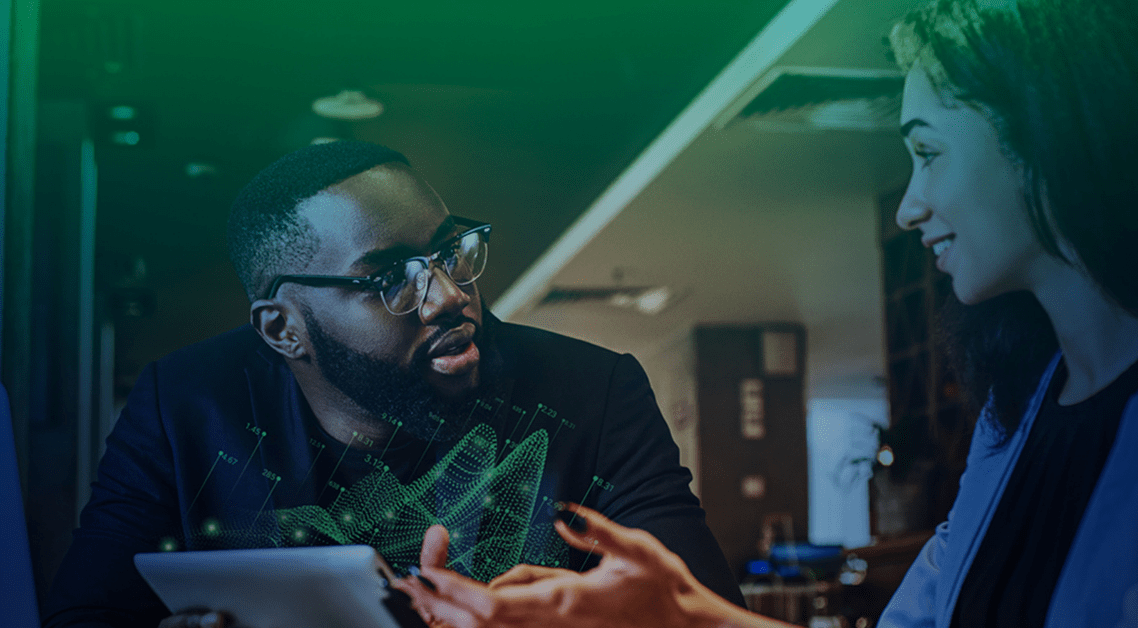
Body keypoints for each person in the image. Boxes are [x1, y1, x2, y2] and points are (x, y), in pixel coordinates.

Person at [396, 0, 1138, 626]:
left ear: (1051, 130)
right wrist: (679, 618)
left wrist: (687, 621)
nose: (910, 208)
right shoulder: (1016, 412)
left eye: (928, 153)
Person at [41, 140, 742, 628]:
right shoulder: (185, 406)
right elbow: (82, 616)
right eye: (387, 277)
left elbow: (706, 611)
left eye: (447, 252)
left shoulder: (592, 392)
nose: (447, 296)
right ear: (284, 329)